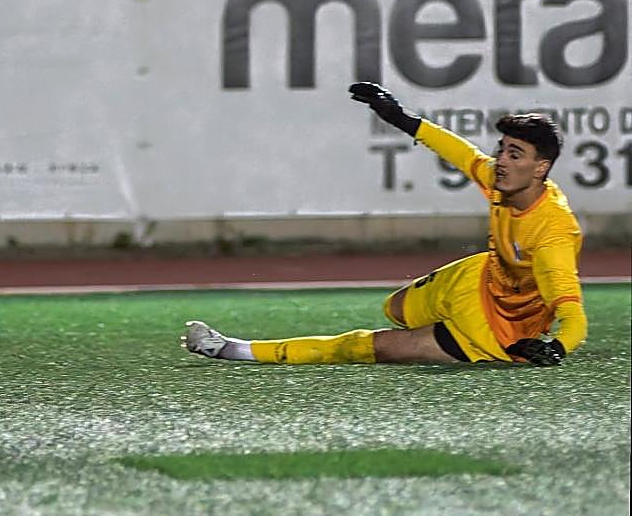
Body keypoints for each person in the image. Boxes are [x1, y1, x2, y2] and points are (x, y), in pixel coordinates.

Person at [183, 82, 586, 367]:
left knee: (362, 348)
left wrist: (557, 348)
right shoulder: (503, 183)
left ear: (541, 169)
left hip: (492, 331)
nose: (501, 161)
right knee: (393, 308)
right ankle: (429, 333)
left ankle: (234, 350)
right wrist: (401, 118)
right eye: (502, 150)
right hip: (475, 278)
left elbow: (572, 313)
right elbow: (461, 152)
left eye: (515, 155)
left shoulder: (552, 234)